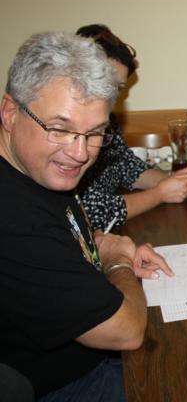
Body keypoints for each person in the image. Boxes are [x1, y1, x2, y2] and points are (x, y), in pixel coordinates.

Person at [0, 32, 173, 400]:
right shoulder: (13, 215)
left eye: (94, 133)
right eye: (60, 129)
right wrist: (118, 261)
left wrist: (102, 246)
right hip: (66, 384)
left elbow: (61, 241)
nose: (80, 153)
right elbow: (127, 332)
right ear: (10, 113)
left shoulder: (36, 169)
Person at [75, 24, 187, 231]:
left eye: (118, 88)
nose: (111, 96)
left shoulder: (108, 121)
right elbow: (87, 214)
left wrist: (174, 182)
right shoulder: (69, 136)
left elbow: (126, 166)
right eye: (106, 83)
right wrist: (160, 193)